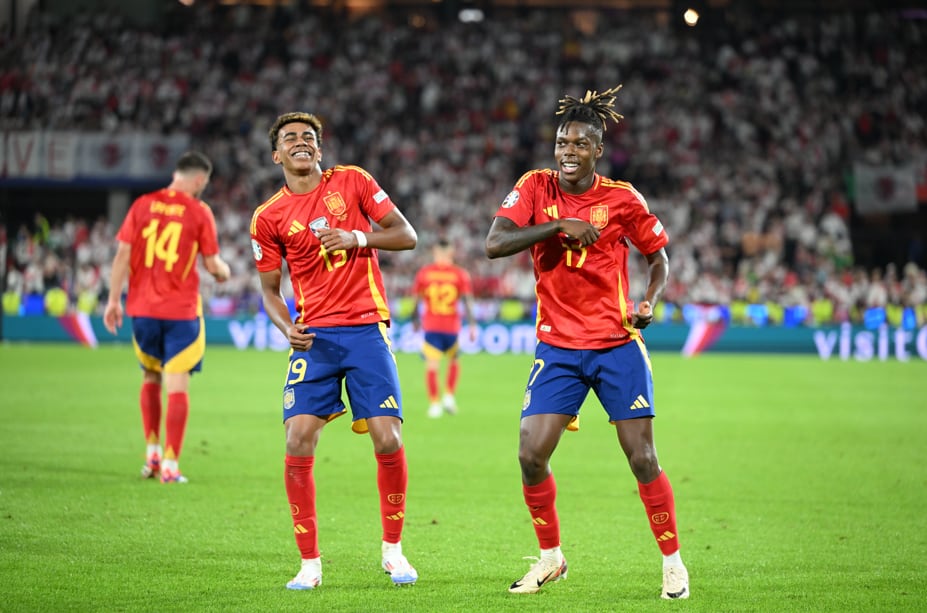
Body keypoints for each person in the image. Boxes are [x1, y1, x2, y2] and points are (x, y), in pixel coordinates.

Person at [484, 85, 689, 599]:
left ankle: (673, 563)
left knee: (641, 458)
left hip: (616, 344)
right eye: (561, 143)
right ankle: (552, 558)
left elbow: (658, 256)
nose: (567, 153)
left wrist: (650, 301)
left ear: (598, 150)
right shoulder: (535, 186)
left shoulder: (622, 198)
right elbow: (495, 244)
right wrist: (557, 224)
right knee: (531, 454)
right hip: (557, 348)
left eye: (578, 144)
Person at [250, 112, 419, 590]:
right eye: (290, 139)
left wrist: (357, 237)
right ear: (276, 155)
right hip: (316, 339)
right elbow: (268, 288)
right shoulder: (268, 216)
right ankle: (309, 563)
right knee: (297, 438)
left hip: (366, 328)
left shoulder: (353, 182)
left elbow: (406, 236)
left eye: (309, 138)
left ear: (319, 151)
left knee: (387, 438)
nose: (301, 143)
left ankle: (393, 552)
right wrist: (287, 326)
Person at [104, 151, 231, 484]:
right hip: (181, 311)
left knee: (150, 378)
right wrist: (224, 273)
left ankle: (152, 454)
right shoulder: (199, 211)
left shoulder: (142, 204)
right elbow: (212, 264)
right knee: (177, 386)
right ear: (200, 180)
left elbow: (122, 254)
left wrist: (113, 300)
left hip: (143, 310)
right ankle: (172, 466)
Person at [410, 238, 478, 418]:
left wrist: (414, 320)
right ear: (451, 253)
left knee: (433, 365)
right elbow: (468, 301)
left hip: (433, 326)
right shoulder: (459, 274)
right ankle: (447, 397)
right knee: (454, 360)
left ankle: (436, 404)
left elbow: (415, 300)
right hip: (451, 327)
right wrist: (472, 325)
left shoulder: (425, 273)